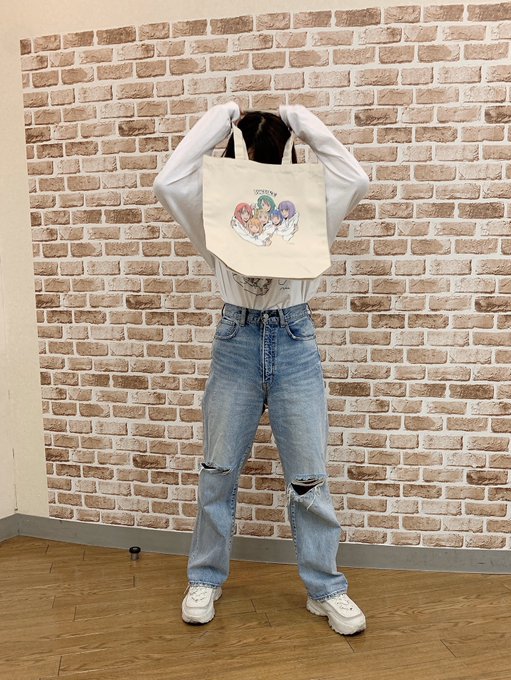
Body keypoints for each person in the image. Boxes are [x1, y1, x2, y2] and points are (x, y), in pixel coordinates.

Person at [153, 101, 369, 636]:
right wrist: (221, 119)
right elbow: (168, 182)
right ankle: (205, 577)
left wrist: (301, 124)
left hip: (294, 339)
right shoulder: (216, 210)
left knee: (309, 477)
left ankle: (326, 588)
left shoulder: (311, 207)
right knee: (218, 470)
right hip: (237, 339)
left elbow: (355, 178)